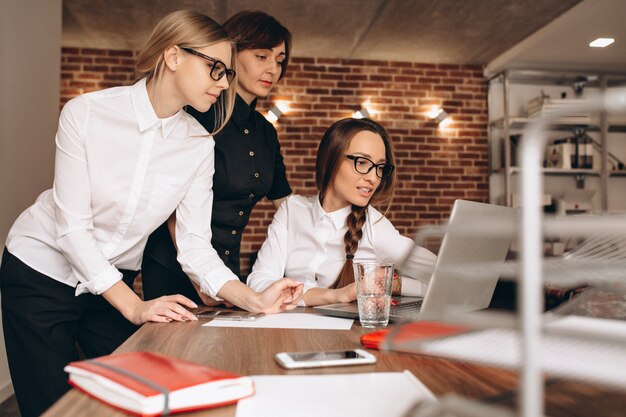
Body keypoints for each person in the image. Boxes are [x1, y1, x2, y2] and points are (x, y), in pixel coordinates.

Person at [0, 10, 301, 417]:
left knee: (151, 390)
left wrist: (256, 301)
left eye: (228, 73)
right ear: (173, 56)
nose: (224, 83)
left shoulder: (198, 143)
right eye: (216, 69)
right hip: (40, 272)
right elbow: (71, 230)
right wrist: (135, 306)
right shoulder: (86, 113)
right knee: (53, 407)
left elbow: (194, 244)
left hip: (111, 283)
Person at [142, 10, 293, 304]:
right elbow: (174, 205)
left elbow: (286, 204)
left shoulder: (265, 131)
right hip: (176, 268)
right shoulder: (196, 114)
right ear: (231, 54)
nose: (273, 69)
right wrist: (202, 282)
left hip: (226, 270)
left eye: (279, 60)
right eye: (262, 56)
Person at [247, 118, 437, 306]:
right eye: (362, 162)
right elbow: (259, 282)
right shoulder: (292, 210)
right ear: (331, 158)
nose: (373, 177)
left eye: (380, 167)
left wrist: (394, 284)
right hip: (288, 332)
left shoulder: (375, 227)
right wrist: (334, 296)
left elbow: (449, 279)